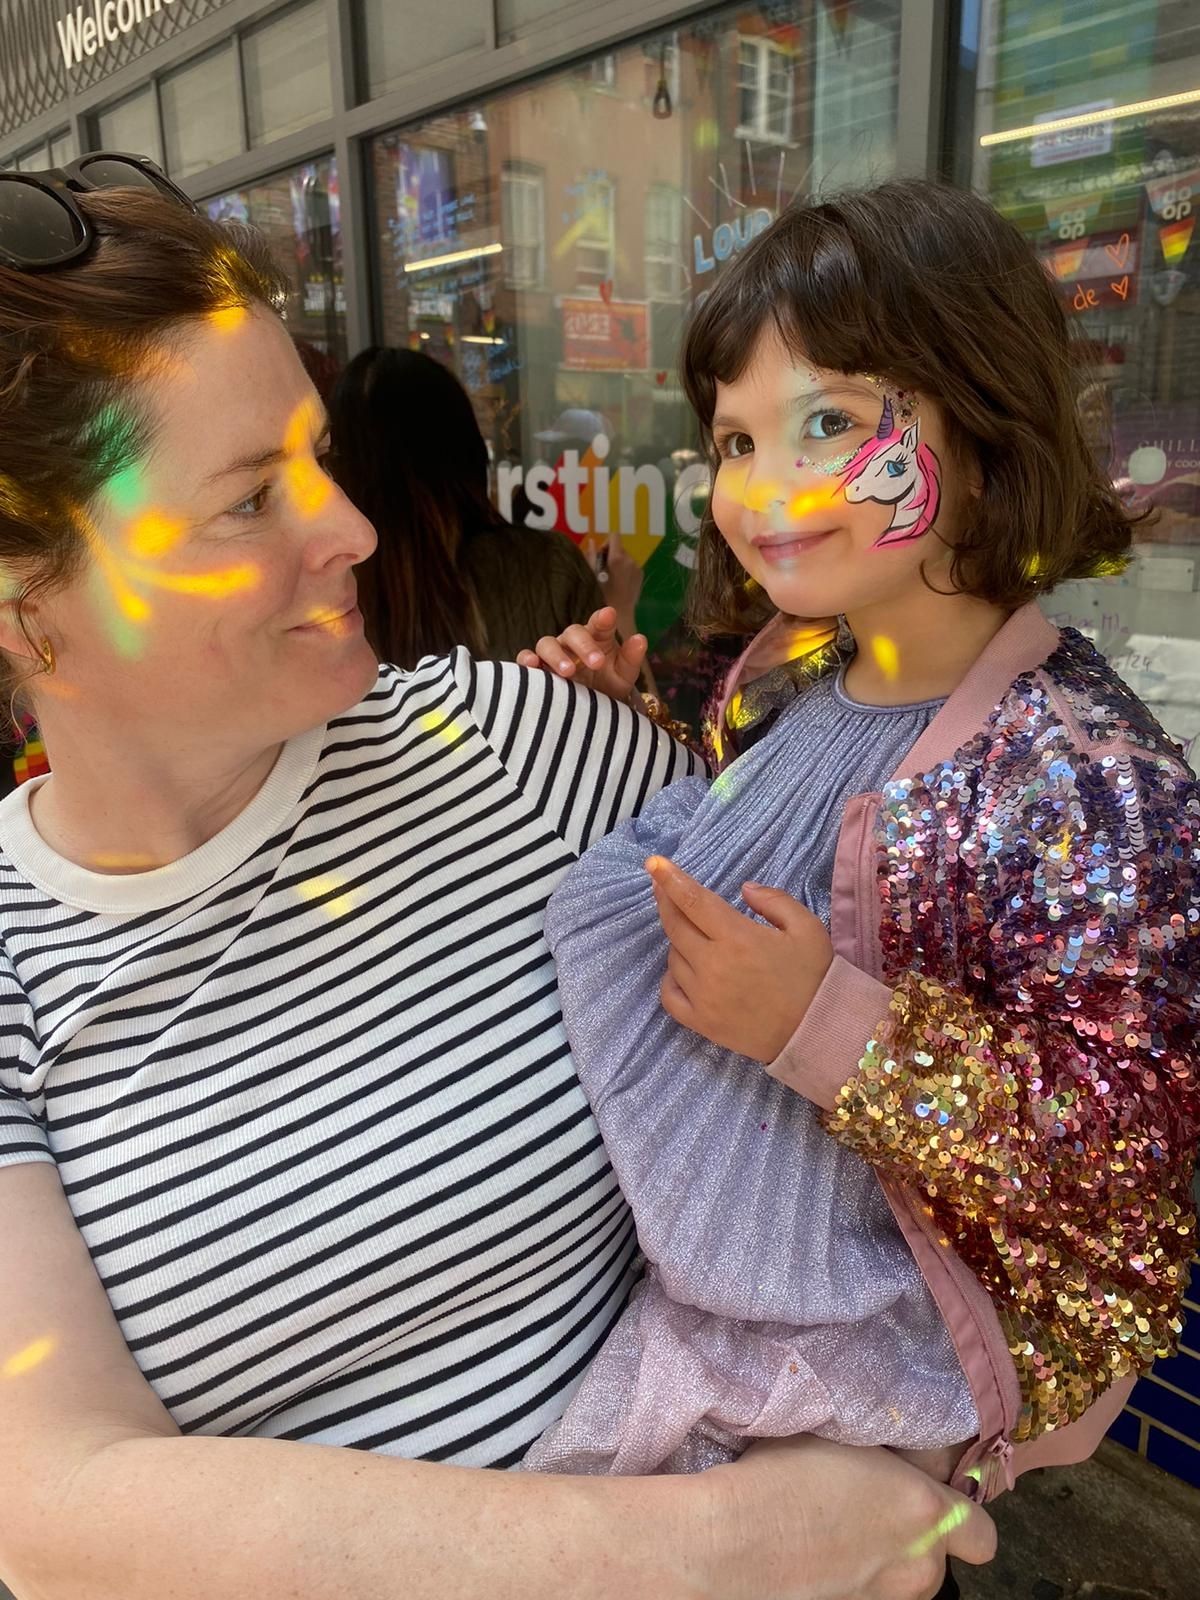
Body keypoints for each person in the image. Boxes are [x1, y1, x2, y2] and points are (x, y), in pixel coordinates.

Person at [0, 160, 995, 1600]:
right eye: (244, 503)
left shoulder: (507, 743)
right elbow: (56, 1500)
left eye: (316, 456)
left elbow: (898, 997)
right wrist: (731, 1547)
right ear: (29, 603)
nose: (346, 529)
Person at [518, 181, 1199, 1527]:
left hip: (906, 1368)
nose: (765, 490)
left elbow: (1128, 1135)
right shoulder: (784, 678)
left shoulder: (1084, 774)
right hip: (712, 1282)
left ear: (986, 421)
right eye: (734, 440)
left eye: (829, 424)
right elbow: (791, 838)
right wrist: (634, 734)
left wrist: (828, 1027)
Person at [329, 347, 621, 666]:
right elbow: (622, 700)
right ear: (469, 454)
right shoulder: (545, 564)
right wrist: (621, 606)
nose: (554, 456)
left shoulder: (328, 591)